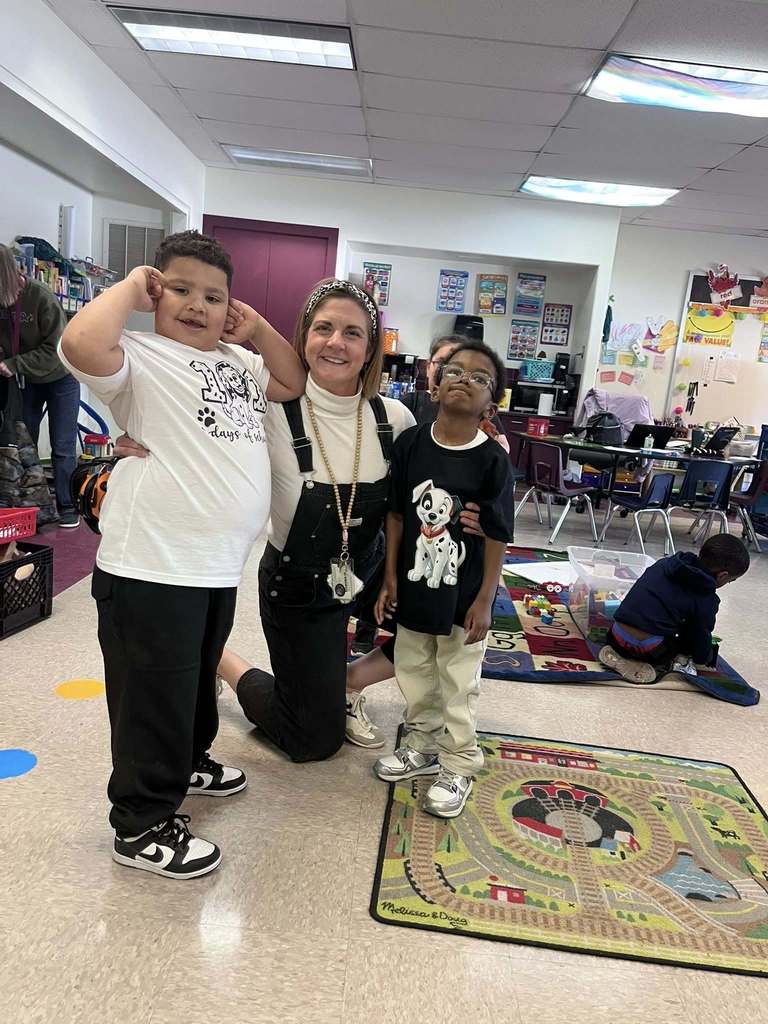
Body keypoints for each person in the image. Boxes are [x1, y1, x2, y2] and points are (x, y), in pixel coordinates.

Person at [59, 230, 305, 880]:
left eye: (214, 296)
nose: (198, 305)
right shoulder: (138, 355)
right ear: (155, 294)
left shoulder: (239, 361)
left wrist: (255, 327)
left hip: (212, 566)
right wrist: (130, 289)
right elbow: (79, 343)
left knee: (192, 683)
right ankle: (140, 825)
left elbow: (291, 376)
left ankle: (189, 760)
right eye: (182, 290)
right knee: (152, 695)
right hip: (150, 564)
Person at [372, 340, 512, 818]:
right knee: (413, 667)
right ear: (435, 385)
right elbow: (394, 514)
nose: (464, 380)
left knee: (458, 677)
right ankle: (422, 743)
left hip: (463, 591)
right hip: (414, 583)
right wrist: (389, 577)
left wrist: (486, 599)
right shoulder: (411, 444)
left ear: (491, 403)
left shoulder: (493, 459)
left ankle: (459, 762)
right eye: (455, 370)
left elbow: (497, 533)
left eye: (480, 377)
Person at [598, 533, 750, 684]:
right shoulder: (707, 599)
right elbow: (701, 635)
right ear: (723, 575)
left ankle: (619, 655)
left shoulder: (666, 563)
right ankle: (645, 664)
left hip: (615, 636)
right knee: (687, 636)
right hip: (651, 651)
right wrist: (704, 657)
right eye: (730, 581)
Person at [0, 243, 79, 526]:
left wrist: (13, 364)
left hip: (61, 376)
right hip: (28, 380)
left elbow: (56, 348)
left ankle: (68, 506)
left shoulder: (41, 298)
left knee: (62, 445)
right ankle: (33, 506)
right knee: (24, 443)